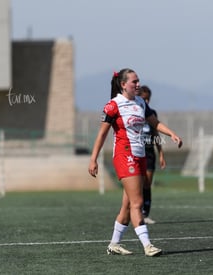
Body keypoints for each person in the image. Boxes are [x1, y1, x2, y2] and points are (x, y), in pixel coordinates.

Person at [88, 68, 182, 257]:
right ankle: (148, 245)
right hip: (124, 155)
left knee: (127, 204)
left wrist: (171, 133)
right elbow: (102, 134)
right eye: (134, 82)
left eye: (138, 81)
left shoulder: (140, 103)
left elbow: (155, 122)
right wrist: (93, 159)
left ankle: (114, 244)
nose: (138, 85)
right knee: (137, 202)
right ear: (123, 85)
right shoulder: (113, 106)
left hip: (140, 156)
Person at [137, 86, 166, 224]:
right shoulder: (134, 111)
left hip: (149, 152)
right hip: (137, 151)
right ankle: (136, 212)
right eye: (144, 98)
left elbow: (156, 134)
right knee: (137, 183)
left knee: (147, 183)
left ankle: (145, 213)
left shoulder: (151, 113)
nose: (146, 101)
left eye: (148, 99)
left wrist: (161, 153)